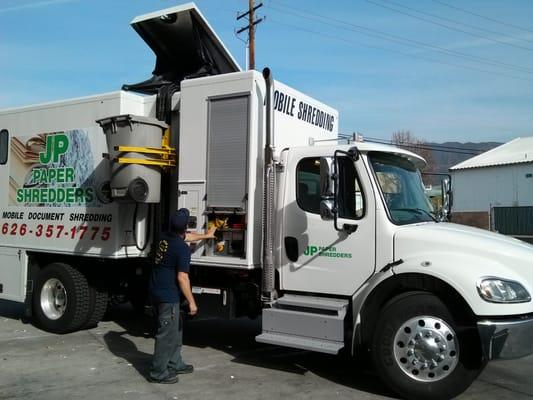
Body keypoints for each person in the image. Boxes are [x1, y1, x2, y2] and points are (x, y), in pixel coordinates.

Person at [148, 208, 198, 384]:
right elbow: (182, 278)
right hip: (167, 296)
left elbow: (189, 237)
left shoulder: (164, 237)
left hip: (156, 290)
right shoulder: (182, 249)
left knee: (176, 330)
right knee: (166, 334)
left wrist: (207, 235)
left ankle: (175, 363)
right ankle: (158, 372)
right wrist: (192, 303)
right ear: (185, 228)